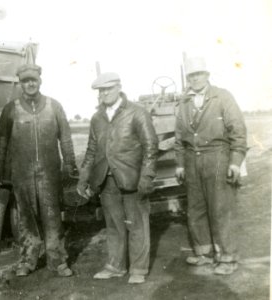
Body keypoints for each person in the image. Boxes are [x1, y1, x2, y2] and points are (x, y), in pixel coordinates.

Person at [0, 63, 78, 277]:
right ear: (20, 83)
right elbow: (1, 142)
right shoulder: (11, 109)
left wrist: (70, 164)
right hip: (22, 176)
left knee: (52, 217)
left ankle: (58, 262)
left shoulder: (54, 106)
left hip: (49, 175)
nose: (30, 84)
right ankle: (27, 261)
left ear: (40, 81)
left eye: (33, 80)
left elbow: (65, 138)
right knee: (26, 220)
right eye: (25, 81)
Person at [77, 72, 158, 284]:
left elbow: (151, 146)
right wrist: (83, 178)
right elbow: (92, 150)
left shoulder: (137, 113)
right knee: (113, 225)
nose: (104, 93)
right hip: (106, 181)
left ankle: (138, 269)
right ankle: (116, 266)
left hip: (132, 178)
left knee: (137, 224)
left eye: (108, 89)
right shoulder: (97, 118)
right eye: (101, 90)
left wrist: (147, 176)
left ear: (119, 87)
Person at [175, 57, 247, 275]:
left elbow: (238, 132)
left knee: (221, 208)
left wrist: (235, 163)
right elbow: (179, 137)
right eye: (191, 76)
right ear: (188, 79)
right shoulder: (185, 102)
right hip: (191, 160)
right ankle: (204, 253)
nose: (195, 79)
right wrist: (180, 165)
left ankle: (227, 258)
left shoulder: (223, 97)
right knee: (196, 208)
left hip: (218, 157)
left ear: (207, 75)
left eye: (199, 74)